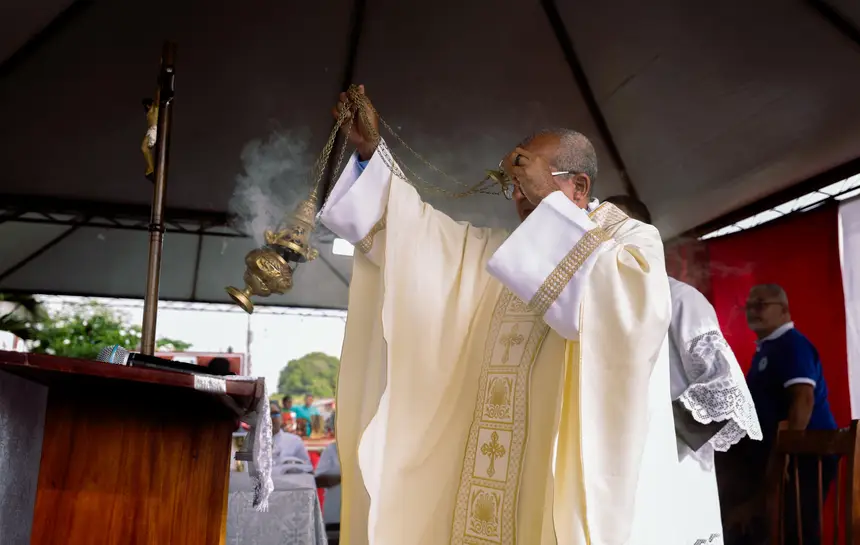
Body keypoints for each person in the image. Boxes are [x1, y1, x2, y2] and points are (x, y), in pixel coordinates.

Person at [320, 85, 680, 545]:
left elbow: (620, 317)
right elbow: (419, 235)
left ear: (579, 186)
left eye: (531, 178)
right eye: (515, 184)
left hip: (557, 476)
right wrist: (372, 153)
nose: (520, 194)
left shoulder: (630, 242)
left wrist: (547, 206)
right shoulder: (505, 252)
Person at [606, 195, 763, 544]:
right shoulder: (599, 311)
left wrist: (656, 436)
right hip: (617, 469)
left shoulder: (679, 299)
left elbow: (725, 388)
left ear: (644, 236)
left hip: (673, 467)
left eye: (614, 228)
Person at [735, 284, 838, 545]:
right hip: (779, 455)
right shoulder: (768, 348)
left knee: (797, 531)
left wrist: (786, 454)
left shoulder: (791, 345)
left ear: (783, 310)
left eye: (761, 305)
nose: (753, 311)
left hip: (804, 456)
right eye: (749, 305)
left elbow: (803, 398)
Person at [270, 403, 312, 471]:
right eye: (265, 414)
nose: (269, 418)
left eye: (274, 414)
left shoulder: (295, 441)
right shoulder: (252, 443)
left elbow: (307, 469)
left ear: (281, 417)